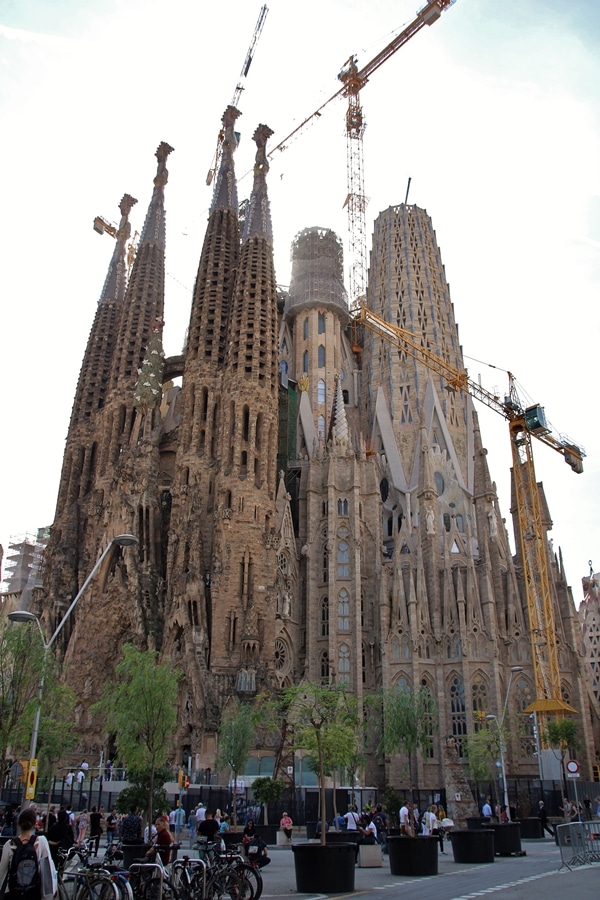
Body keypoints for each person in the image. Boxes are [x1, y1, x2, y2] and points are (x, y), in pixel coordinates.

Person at [0, 806, 57, 900]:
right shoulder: (41, 841)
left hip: (13, 892)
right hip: (33, 892)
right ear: (34, 824)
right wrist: (53, 890)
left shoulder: (9, 844)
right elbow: (49, 868)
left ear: (18, 823)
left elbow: (2, 871)